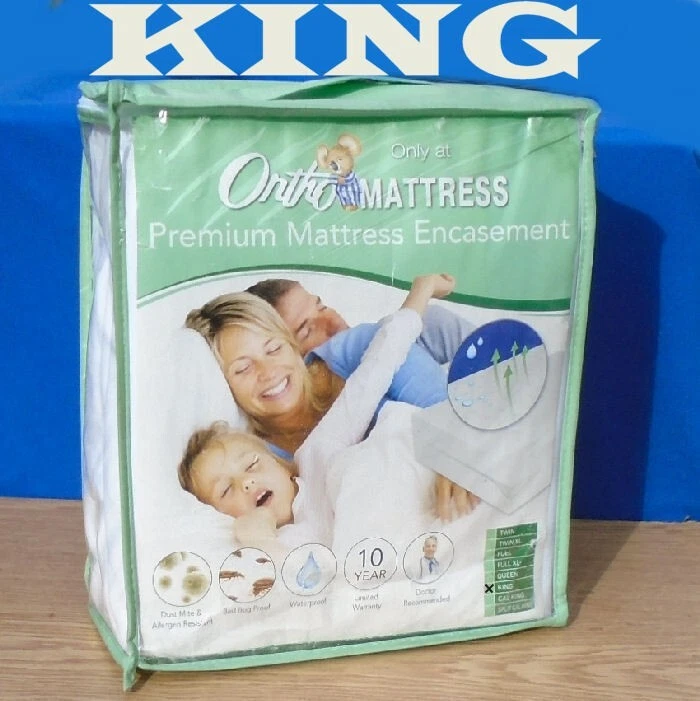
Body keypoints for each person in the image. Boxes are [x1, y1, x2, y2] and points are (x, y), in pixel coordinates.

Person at [179, 275, 480, 548]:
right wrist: (258, 537)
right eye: (243, 368)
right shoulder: (261, 462)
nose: (268, 372)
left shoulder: (322, 440)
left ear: (291, 345)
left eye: (273, 349)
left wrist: (422, 290)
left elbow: (388, 356)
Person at [246, 277, 475, 364]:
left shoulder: (426, 329)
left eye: (321, 306)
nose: (333, 323)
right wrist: (423, 290)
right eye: (307, 331)